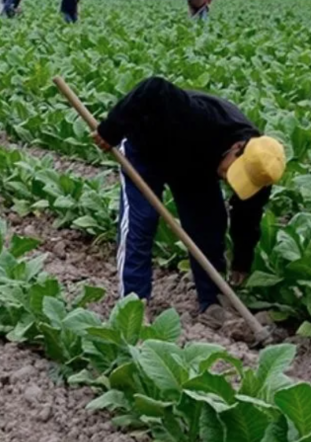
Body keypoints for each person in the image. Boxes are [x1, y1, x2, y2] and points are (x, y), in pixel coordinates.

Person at [92, 77, 286, 328]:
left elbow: (246, 216)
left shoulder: (261, 170)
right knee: (142, 221)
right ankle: (133, 303)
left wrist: (242, 260)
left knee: (209, 226)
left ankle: (212, 300)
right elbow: (153, 87)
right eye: (233, 171)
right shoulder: (198, 117)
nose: (229, 179)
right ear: (237, 147)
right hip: (148, 147)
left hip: (196, 165)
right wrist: (111, 129)